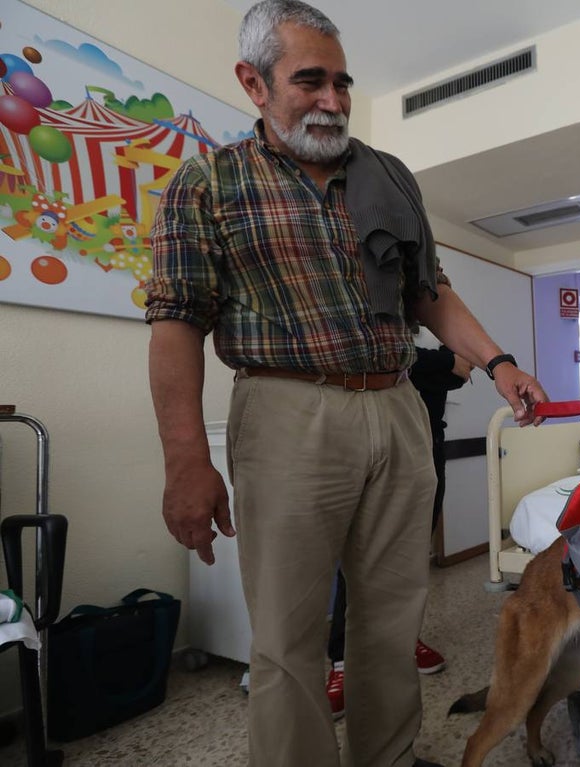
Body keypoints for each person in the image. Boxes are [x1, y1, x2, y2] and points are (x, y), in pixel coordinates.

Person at [144, 2, 547, 766]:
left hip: (396, 407)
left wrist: (499, 363)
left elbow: (430, 290)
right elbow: (174, 324)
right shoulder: (208, 183)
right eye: (309, 81)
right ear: (253, 83)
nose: (332, 101)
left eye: (341, 82)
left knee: (392, 618)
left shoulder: (388, 176)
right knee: (290, 635)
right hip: (286, 413)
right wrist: (185, 461)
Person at [325, 346, 472, 718]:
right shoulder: (369, 339)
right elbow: (365, 356)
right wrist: (432, 363)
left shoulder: (421, 332)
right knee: (355, 562)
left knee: (408, 562)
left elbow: (462, 368)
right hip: (365, 446)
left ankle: (405, 639)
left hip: (428, 450)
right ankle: (342, 663)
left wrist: (411, 360)